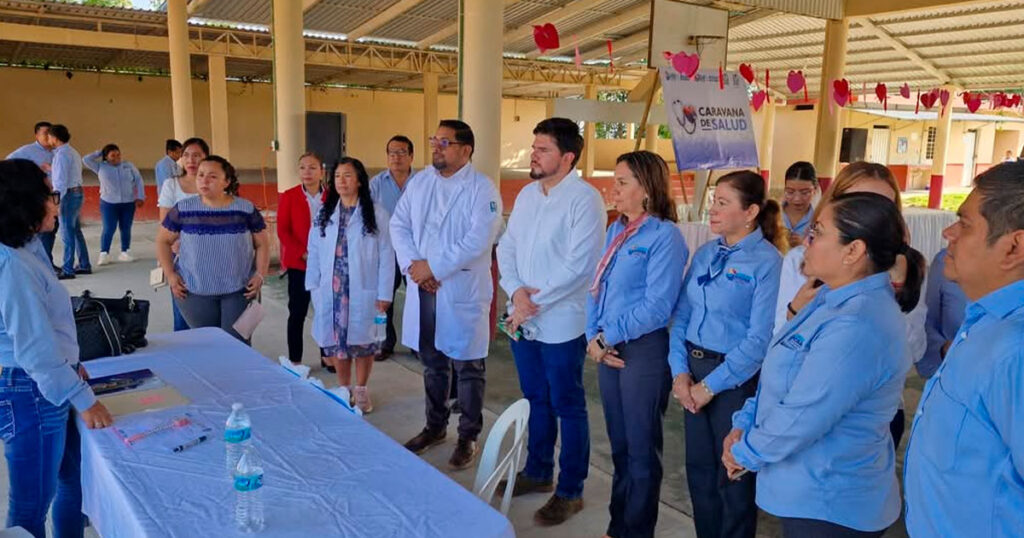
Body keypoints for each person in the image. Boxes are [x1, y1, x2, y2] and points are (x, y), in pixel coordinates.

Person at [723, 192, 917, 538]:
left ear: (853, 251)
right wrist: (744, 424)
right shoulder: (828, 296)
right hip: (808, 490)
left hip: (831, 503)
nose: (805, 242)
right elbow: (780, 375)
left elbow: (804, 413)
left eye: (817, 233)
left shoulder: (857, 323)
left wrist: (745, 452)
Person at [904, 162, 1024, 538]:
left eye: (965, 224)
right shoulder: (986, 321)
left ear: (1014, 247)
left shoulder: (1014, 351)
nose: (948, 232)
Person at [495, 118, 606, 525]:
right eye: (534, 147)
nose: (533, 155)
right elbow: (507, 246)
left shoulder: (584, 200)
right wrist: (515, 292)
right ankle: (539, 470)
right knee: (535, 398)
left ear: (567, 157)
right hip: (524, 317)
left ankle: (570, 489)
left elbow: (580, 267)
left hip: (562, 323)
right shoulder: (527, 195)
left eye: (543, 149)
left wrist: (530, 303)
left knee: (567, 403)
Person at [0, 159, 114, 538]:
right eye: (49, 195)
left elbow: (48, 328)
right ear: (23, 204)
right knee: (30, 507)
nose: (56, 204)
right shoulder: (12, 265)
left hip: (49, 381)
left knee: (73, 481)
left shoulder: (28, 248)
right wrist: (84, 399)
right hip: (30, 390)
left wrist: (71, 366)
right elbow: (34, 348)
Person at [776, 162, 926, 449]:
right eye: (855, 202)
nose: (869, 215)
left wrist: (896, 294)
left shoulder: (907, 267)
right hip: (802, 408)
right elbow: (779, 343)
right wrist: (797, 312)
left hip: (872, 416)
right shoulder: (802, 261)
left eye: (883, 206)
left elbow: (914, 351)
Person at [667, 170, 784, 538]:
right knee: (699, 472)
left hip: (734, 380)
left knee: (733, 475)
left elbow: (758, 340)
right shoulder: (706, 254)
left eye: (722, 202)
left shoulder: (767, 262)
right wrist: (679, 373)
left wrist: (709, 387)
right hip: (692, 372)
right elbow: (682, 316)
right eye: (713, 202)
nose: (712, 210)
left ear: (750, 212)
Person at [586, 151, 687, 538]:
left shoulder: (664, 236)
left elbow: (657, 307)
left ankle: (637, 530)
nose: (613, 188)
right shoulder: (617, 229)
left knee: (642, 450)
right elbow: (597, 288)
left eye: (622, 182)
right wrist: (592, 337)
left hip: (642, 351)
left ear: (646, 189)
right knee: (620, 446)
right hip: (608, 347)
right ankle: (618, 526)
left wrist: (605, 337)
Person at [390, 120, 502, 469]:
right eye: (434, 140)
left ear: (465, 150)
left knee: (468, 366)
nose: (435, 147)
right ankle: (435, 427)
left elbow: (478, 240)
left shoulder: (482, 189)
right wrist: (415, 266)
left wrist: (433, 268)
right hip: (425, 288)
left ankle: (468, 435)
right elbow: (398, 224)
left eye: (444, 142)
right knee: (432, 363)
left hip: (459, 288)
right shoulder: (421, 182)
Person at [307, 158, 394, 413]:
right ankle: (344, 389)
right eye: (337, 176)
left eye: (347, 176)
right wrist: (313, 284)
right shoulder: (325, 213)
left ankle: (361, 389)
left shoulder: (376, 214)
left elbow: (387, 256)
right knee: (338, 343)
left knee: (364, 343)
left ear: (359, 181)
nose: (341, 181)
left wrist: (384, 293)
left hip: (364, 288)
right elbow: (314, 251)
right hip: (332, 290)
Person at [156, 156, 270, 343]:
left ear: (227, 181)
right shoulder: (183, 209)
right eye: (200, 175)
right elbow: (162, 241)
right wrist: (170, 274)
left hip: (240, 290)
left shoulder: (245, 209)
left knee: (238, 345)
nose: (204, 180)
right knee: (207, 345)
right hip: (194, 291)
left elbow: (262, 244)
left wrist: (260, 274)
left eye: (212, 176)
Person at [369, 134, 416, 361]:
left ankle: (417, 344)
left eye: (401, 152)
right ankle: (385, 343)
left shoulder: (422, 182)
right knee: (384, 297)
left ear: (411, 156)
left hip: (414, 252)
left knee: (417, 298)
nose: (396, 157)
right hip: (386, 251)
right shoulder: (376, 184)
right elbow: (367, 214)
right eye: (392, 153)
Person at [278, 152, 324, 365]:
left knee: (326, 312)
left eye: (312, 167)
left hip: (326, 265)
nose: (307, 172)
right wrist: (302, 253)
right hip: (300, 264)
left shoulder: (332, 196)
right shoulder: (289, 196)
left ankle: (328, 357)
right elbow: (283, 231)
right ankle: (295, 360)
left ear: (321, 172)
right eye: (303, 167)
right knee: (297, 313)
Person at [158, 137, 207, 332]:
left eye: (197, 155)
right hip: (181, 256)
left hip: (211, 254)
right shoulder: (171, 185)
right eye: (186, 155)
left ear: (206, 157)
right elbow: (165, 223)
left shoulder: (214, 183)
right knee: (183, 314)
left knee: (209, 315)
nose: (191, 160)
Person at [6, 122, 57, 268]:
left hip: (53, 196)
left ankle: (48, 262)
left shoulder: (57, 152)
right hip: (37, 198)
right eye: (45, 133)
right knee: (39, 232)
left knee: (51, 232)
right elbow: (8, 166)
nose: (48, 136)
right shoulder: (26, 151)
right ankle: (40, 264)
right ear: (36, 135)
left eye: (50, 133)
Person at [83, 144, 145, 265]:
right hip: (109, 203)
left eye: (118, 155)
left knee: (126, 227)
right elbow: (85, 159)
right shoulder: (100, 166)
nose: (116, 158)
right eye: (112, 155)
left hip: (128, 203)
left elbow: (138, 180)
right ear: (106, 157)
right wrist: (99, 152)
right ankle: (104, 253)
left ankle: (125, 251)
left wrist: (140, 196)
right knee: (109, 228)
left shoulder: (128, 166)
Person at [915, 247, 967, 378]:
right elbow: (927, 321)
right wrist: (943, 349)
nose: (948, 236)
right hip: (949, 373)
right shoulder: (946, 260)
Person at [48, 124, 91, 280]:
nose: (49, 139)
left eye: (49, 136)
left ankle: (68, 269)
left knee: (67, 233)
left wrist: (56, 202)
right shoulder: (72, 151)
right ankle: (84, 264)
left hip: (68, 195)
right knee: (75, 231)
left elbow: (60, 182)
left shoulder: (61, 155)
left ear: (55, 138)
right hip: (76, 192)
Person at [781, 161, 817, 248]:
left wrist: (803, 245)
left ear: (815, 191)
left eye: (804, 193)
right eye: (790, 192)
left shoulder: (819, 220)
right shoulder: (771, 215)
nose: (797, 199)